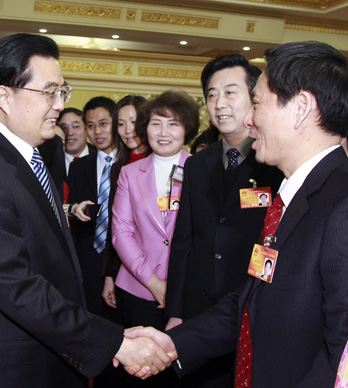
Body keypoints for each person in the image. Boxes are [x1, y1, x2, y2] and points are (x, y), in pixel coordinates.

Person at [0, 33, 175, 388]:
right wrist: (116, 342)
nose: (59, 105)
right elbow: (17, 288)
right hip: (4, 368)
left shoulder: (27, 156)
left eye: (62, 91)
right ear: (4, 96)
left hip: (43, 355)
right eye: (48, 92)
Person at [128, 40, 348, 388]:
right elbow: (251, 300)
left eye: (256, 102)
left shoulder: (341, 204)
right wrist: (174, 342)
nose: (247, 118)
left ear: (300, 108)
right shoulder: (296, 197)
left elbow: (341, 354)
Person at [164, 54, 283, 387]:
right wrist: (175, 310)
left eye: (231, 93)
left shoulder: (274, 163)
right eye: (212, 95)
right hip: (198, 308)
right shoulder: (197, 165)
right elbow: (184, 240)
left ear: (256, 97)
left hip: (250, 305)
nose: (219, 104)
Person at [112, 90, 198, 386]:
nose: (163, 132)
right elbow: (121, 232)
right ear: (145, 127)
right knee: (140, 373)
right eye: (156, 123)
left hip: (187, 293)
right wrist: (154, 282)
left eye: (173, 124)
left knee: (179, 371)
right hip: (138, 289)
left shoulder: (201, 170)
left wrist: (174, 287)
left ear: (187, 129)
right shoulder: (129, 172)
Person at [66, 96, 117, 319]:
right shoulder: (79, 168)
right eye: (91, 125)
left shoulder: (131, 166)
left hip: (122, 262)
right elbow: (78, 222)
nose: (97, 131)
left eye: (103, 124)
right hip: (89, 261)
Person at [101, 95, 148, 311]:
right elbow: (115, 225)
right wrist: (110, 275)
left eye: (134, 121)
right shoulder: (118, 168)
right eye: (121, 124)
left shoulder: (164, 163)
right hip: (124, 272)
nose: (128, 129)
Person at [58, 107, 95, 175]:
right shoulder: (49, 160)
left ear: (86, 130)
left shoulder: (100, 157)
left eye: (76, 127)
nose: (70, 133)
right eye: (64, 128)